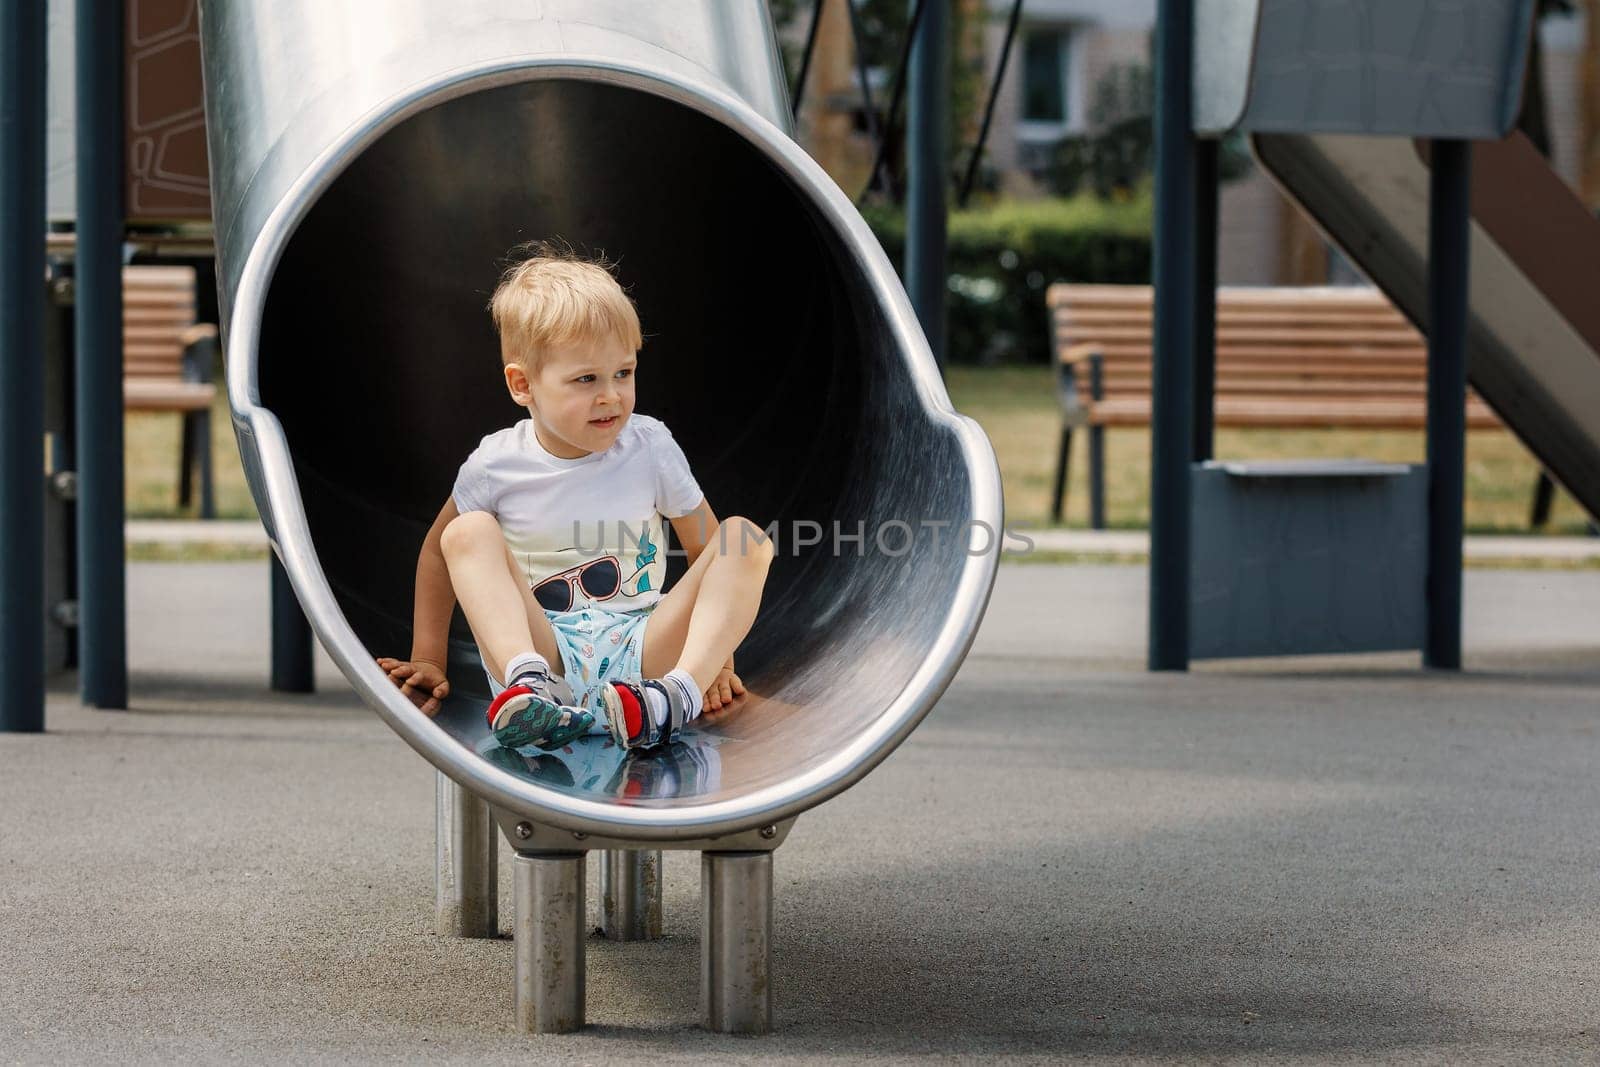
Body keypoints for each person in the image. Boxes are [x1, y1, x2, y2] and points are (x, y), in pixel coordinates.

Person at [376, 240, 774, 751]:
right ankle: (529, 688)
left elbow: (704, 547)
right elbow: (437, 554)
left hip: (643, 648)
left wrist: (717, 662)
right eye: (585, 379)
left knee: (743, 540)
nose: (610, 395)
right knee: (466, 532)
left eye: (623, 373)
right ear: (523, 385)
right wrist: (428, 657)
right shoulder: (496, 463)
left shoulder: (649, 446)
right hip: (544, 651)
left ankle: (675, 697)